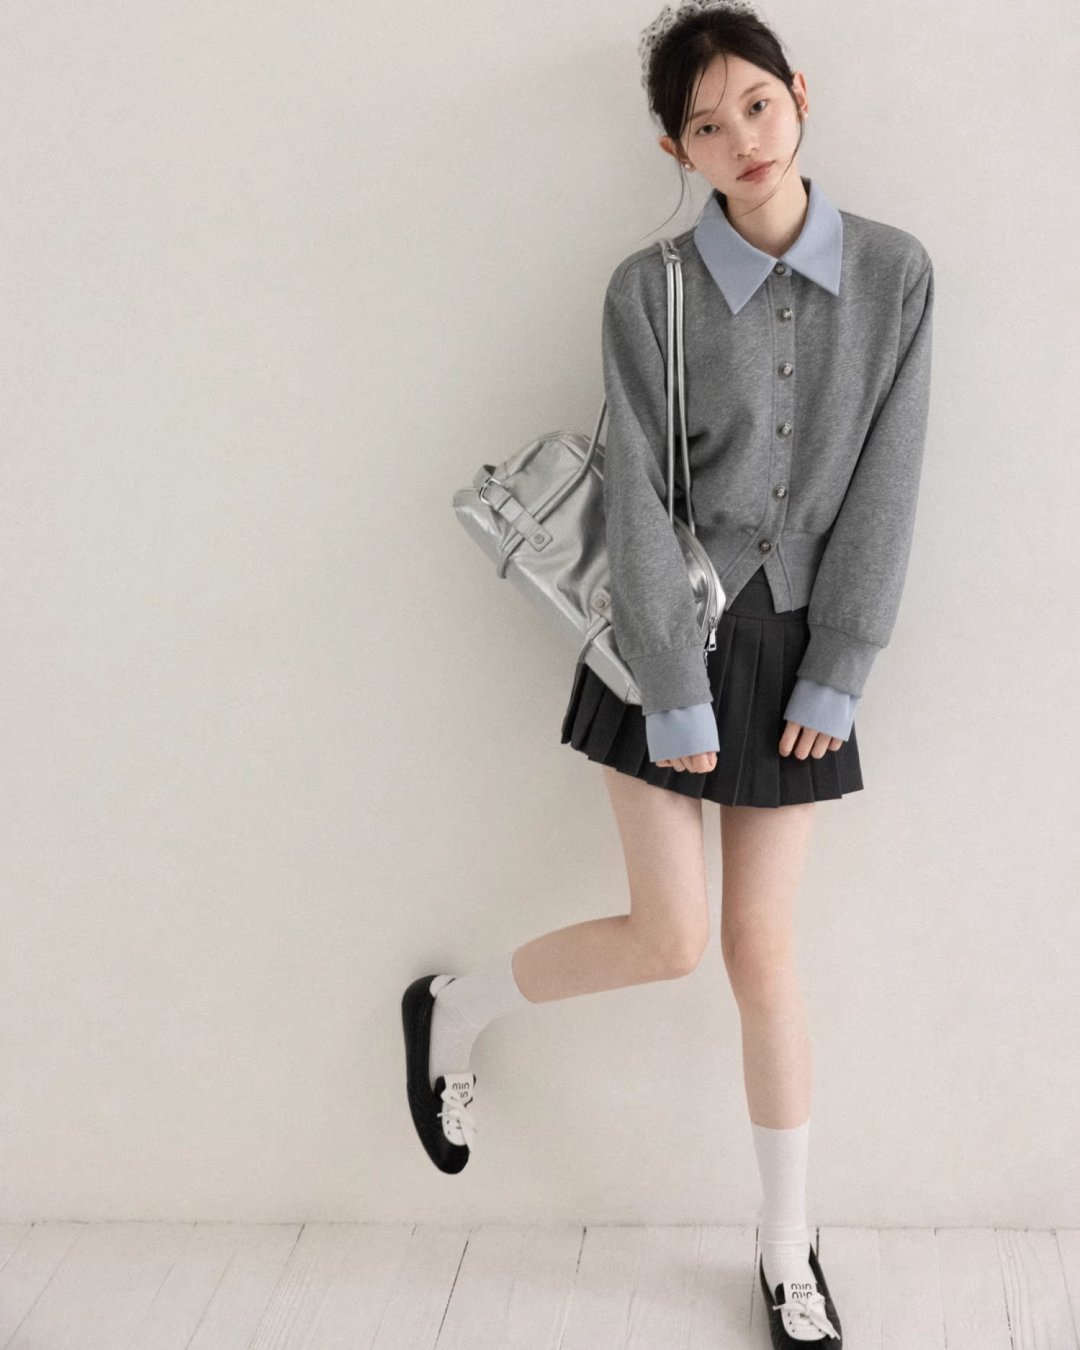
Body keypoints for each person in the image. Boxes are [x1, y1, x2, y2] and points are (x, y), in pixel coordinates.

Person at [403, 2, 933, 1343]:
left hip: (801, 646)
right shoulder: (651, 291)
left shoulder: (896, 274)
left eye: (758, 103)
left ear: (800, 92)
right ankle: (454, 1012)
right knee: (670, 937)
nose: (744, 138)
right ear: (674, 149)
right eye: (708, 124)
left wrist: (841, 665)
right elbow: (635, 492)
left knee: (763, 953)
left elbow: (889, 480)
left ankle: (787, 1250)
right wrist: (674, 687)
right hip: (663, 639)